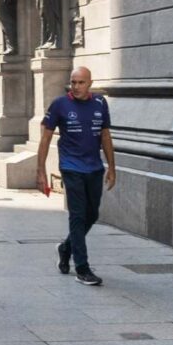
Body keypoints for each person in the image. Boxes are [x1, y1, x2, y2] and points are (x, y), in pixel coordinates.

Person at [37, 66, 116, 286]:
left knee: (92, 215)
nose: (76, 86)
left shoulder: (100, 103)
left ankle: (66, 247)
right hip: (71, 168)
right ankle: (82, 268)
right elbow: (45, 139)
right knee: (78, 215)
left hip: (94, 168)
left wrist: (112, 166)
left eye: (81, 82)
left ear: (90, 83)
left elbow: (106, 135)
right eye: (73, 82)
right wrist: (40, 170)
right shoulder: (60, 105)